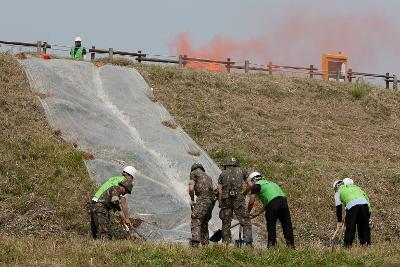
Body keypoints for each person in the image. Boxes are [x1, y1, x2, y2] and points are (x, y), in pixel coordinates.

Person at [247, 171, 295, 248]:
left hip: (273, 204)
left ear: (253, 180)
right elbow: (270, 200)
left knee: (271, 225)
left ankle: (272, 246)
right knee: (286, 225)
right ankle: (291, 246)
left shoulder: (256, 186)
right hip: (283, 201)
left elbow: (251, 202)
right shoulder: (271, 183)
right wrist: (258, 212)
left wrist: (247, 213)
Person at [90, 166, 136, 239]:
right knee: (104, 232)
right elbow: (122, 203)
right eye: (126, 191)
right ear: (130, 176)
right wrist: (127, 218)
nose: (125, 193)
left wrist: (123, 219)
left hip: (95, 202)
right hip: (101, 206)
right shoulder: (122, 183)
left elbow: (116, 206)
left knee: (97, 230)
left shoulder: (114, 179)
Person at [217, 157, 252, 246]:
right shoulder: (242, 171)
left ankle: (226, 243)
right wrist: (243, 194)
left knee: (226, 221)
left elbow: (220, 191)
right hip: (238, 198)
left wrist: (220, 202)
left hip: (226, 199)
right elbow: (250, 185)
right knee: (245, 219)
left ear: (226, 165)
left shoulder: (222, 174)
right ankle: (248, 243)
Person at [333, 177, 371, 247]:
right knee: (364, 227)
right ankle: (366, 245)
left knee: (351, 226)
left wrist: (339, 221)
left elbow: (338, 208)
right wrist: (368, 214)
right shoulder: (357, 188)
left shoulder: (338, 192)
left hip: (352, 206)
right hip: (365, 205)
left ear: (335, 188)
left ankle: (347, 246)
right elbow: (367, 199)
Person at [188, 163, 216, 247]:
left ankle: (195, 243)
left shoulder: (194, 173)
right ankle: (205, 244)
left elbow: (191, 188)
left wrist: (192, 200)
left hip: (202, 199)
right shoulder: (208, 177)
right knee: (204, 221)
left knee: (196, 218)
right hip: (211, 201)